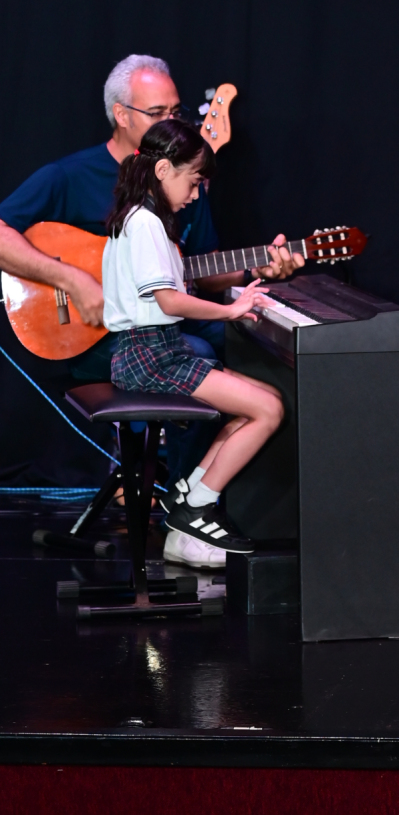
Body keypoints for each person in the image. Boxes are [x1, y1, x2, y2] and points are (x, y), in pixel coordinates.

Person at [0, 54, 303, 492]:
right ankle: (178, 493)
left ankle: (229, 493)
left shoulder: (183, 183)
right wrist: (72, 279)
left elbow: (199, 270)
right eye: (157, 113)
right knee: (198, 350)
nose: (172, 122)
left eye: (176, 111)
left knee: (252, 340)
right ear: (121, 115)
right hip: (94, 336)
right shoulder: (68, 176)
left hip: (161, 321)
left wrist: (256, 269)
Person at [103, 118, 284, 568]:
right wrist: (231, 311)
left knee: (266, 397)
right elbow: (168, 300)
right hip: (149, 355)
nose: (196, 194)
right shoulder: (144, 222)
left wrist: (245, 285)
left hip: (157, 349)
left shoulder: (144, 220)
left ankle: (187, 499)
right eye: (194, 182)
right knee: (267, 410)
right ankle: (195, 508)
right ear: (163, 170)